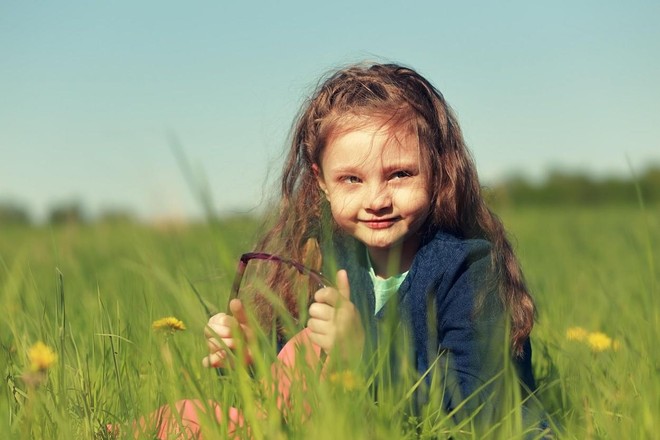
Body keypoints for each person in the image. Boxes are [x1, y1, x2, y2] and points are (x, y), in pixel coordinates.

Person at [128, 62, 545, 438]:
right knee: (185, 416)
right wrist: (253, 358)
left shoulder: (467, 269)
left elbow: (479, 407)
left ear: (438, 170)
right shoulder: (333, 257)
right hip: (361, 426)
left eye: (399, 174)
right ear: (322, 181)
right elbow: (304, 381)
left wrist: (363, 356)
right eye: (351, 179)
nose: (376, 198)